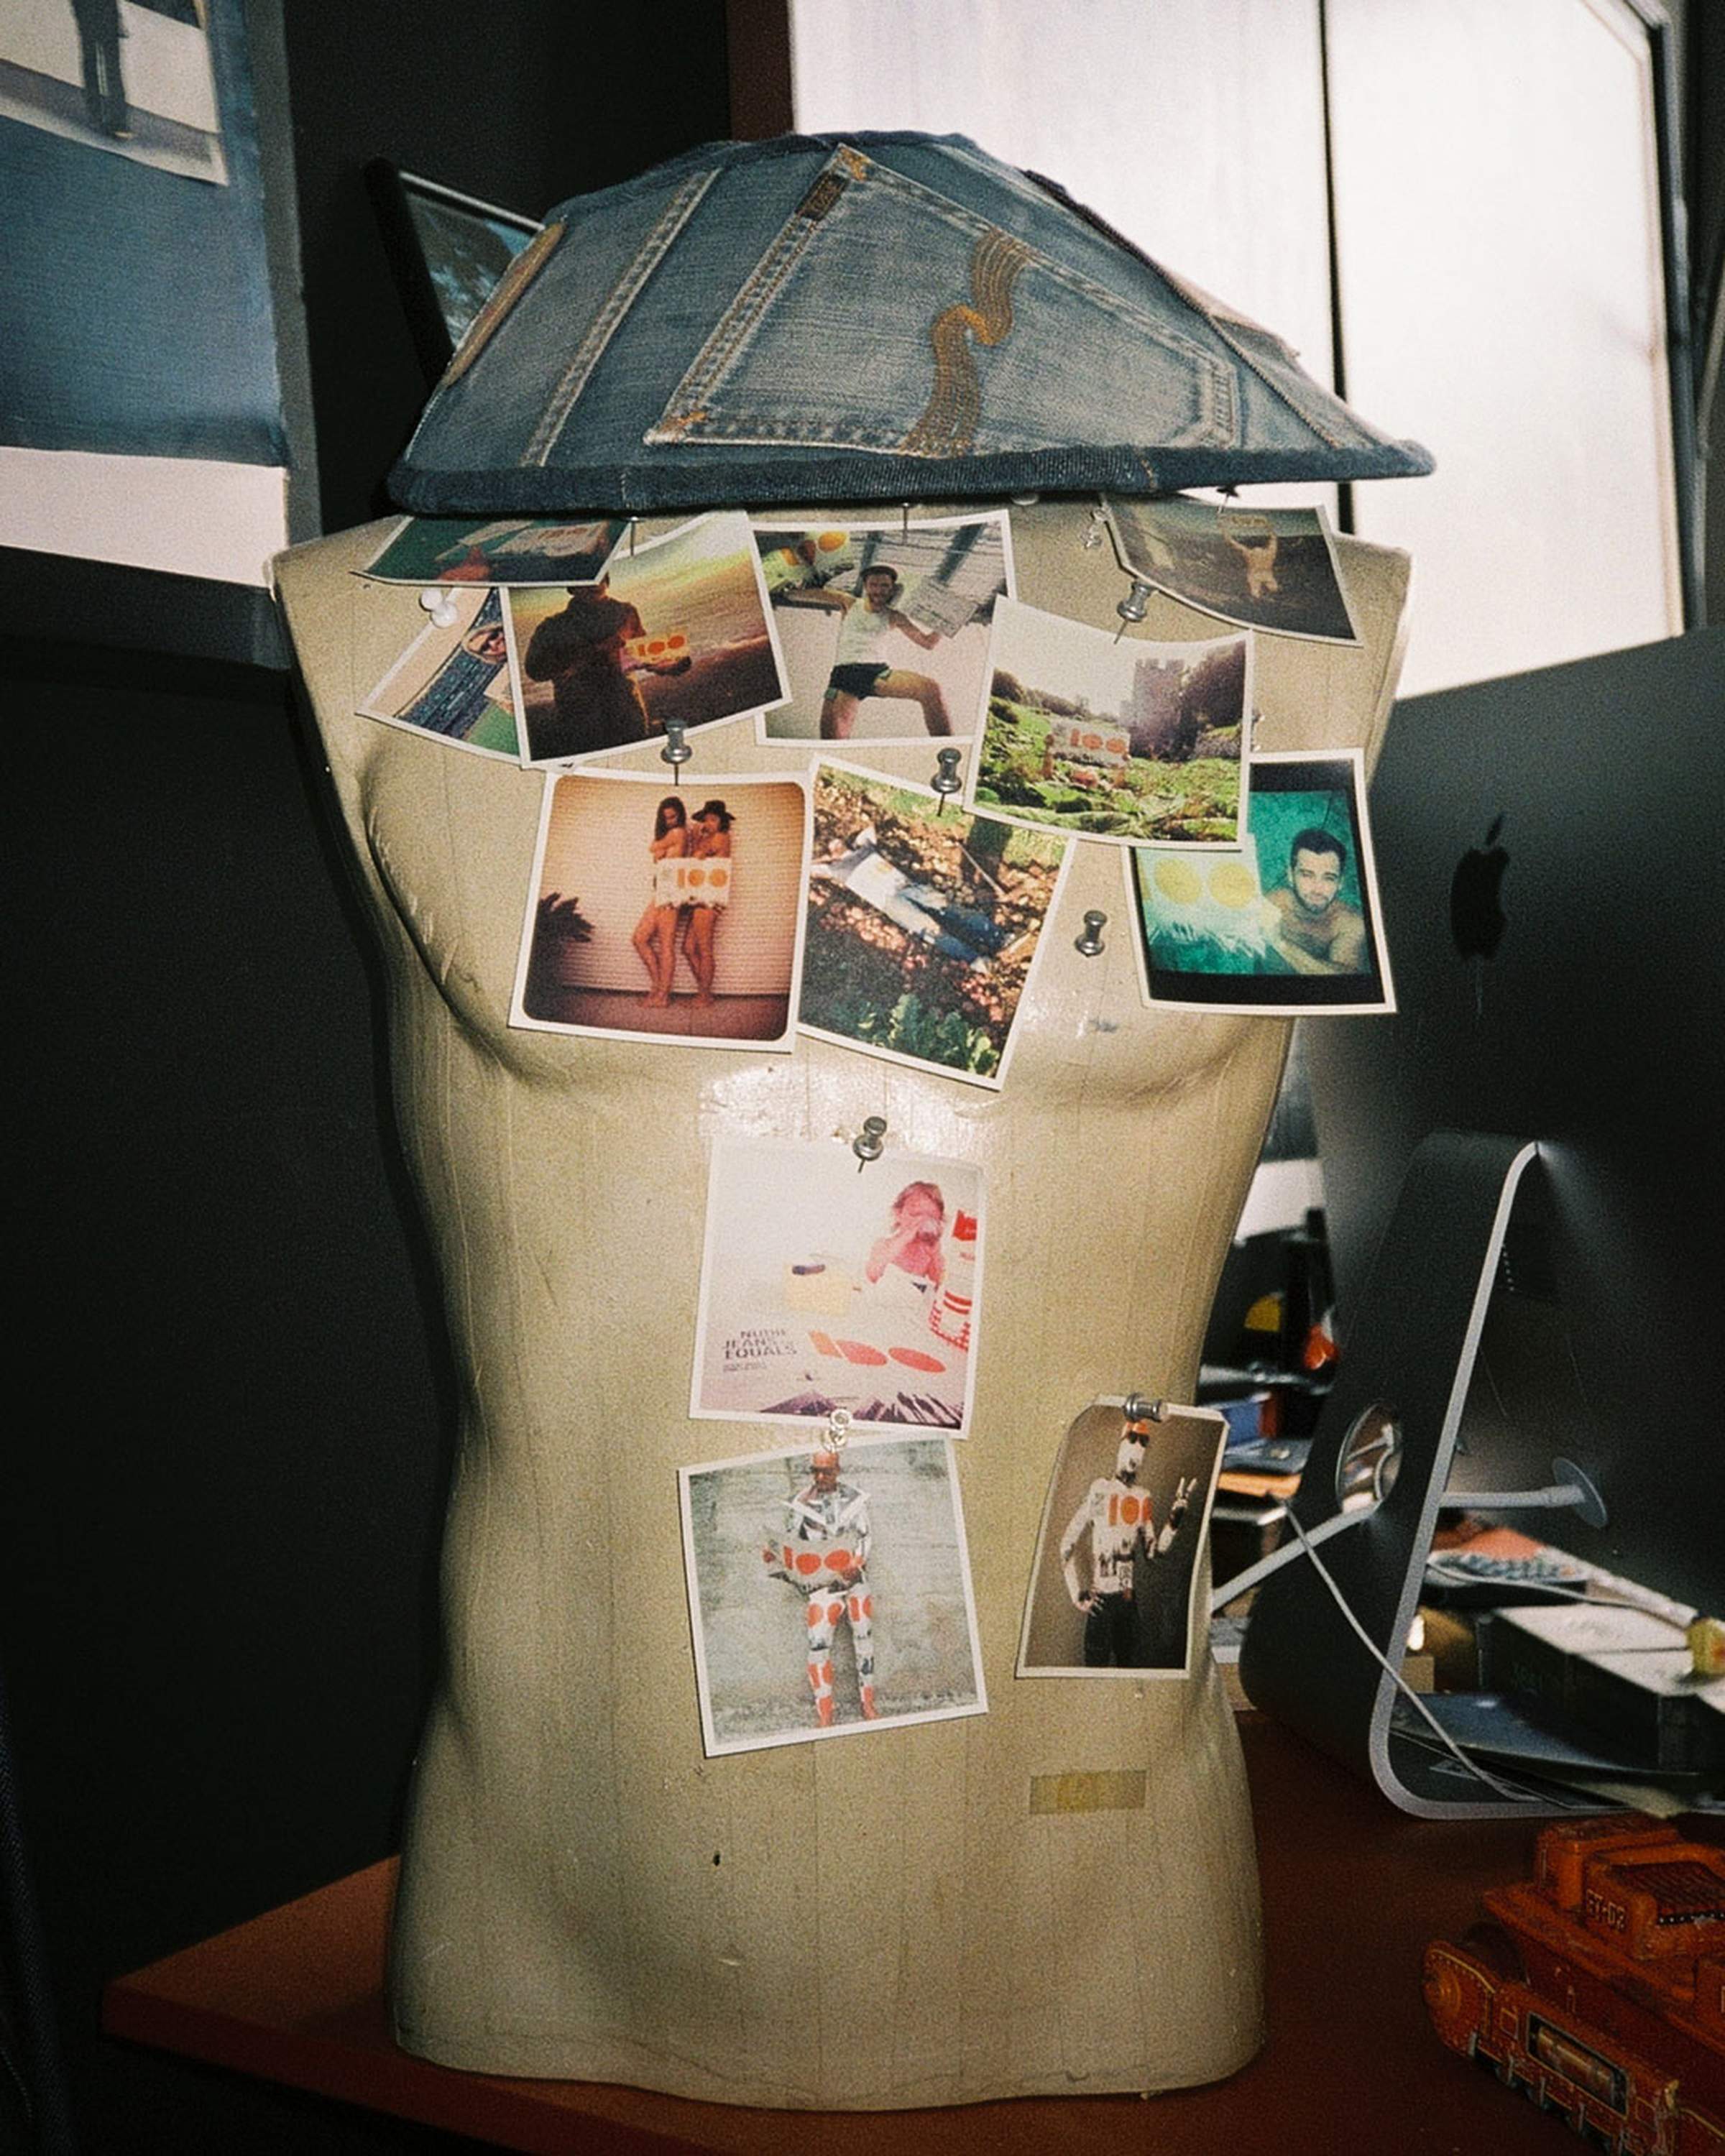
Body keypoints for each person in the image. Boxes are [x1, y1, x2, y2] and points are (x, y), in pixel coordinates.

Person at [1059, 1422, 1194, 1668]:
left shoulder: (1142, 1497)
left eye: (1141, 1451)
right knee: (1095, 1676)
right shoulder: (1101, 1490)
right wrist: (1078, 1593)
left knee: (1129, 1670)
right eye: (1131, 1447)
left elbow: (1154, 1552)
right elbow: (1068, 1541)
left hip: (1128, 1601)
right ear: (1120, 1447)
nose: (1136, 1455)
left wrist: (1175, 1519)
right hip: (1102, 1600)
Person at [761, 1447, 878, 1725]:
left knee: (864, 1639)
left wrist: (857, 1562)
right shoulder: (799, 1502)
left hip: (853, 1579)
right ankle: (825, 1714)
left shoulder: (855, 1500)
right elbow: (790, 1541)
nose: (821, 1476)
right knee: (817, 1645)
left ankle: (868, 1705)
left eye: (827, 1470)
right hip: (822, 1584)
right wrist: (774, 1555)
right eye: (816, 1470)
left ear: (838, 1470)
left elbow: (865, 1536)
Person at [811, 823, 1019, 970]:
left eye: (838, 841)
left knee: (953, 910)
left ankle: (999, 937)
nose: (837, 844)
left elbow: (870, 827)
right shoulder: (836, 870)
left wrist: (852, 843)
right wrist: (827, 858)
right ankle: (978, 962)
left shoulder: (865, 847)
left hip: (908, 886)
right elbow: (809, 868)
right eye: (832, 845)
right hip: (891, 903)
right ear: (829, 853)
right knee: (934, 931)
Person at [802, 566, 952, 739]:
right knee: (832, 740)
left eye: (884, 586)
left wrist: (945, 624)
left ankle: (946, 746)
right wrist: (790, 591)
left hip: (877, 673)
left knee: (931, 689)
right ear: (865, 586)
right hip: (845, 677)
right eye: (874, 585)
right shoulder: (849, 602)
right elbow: (813, 594)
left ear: (892, 588)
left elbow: (928, 643)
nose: (879, 590)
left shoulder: (894, 616)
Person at [521, 577, 650, 757]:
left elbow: (644, 654)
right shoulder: (552, 627)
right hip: (580, 714)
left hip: (626, 708)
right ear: (571, 587)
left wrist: (672, 664)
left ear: (607, 579)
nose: (594, 583)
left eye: (600, 576)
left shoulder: (626, 612)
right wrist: (595, 650)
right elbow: (535, 670)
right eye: (585, 579)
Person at [1261, 827, 1368, 975]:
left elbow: (1346, 980)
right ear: (1291, 876)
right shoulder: (1271, 905)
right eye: (1307, 875)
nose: (1318, 889)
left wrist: (1280, 943)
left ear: (1341, 882)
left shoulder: (1350, 924)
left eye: (1329, 878)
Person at [631, 796, 687, 1007]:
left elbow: (653, 847)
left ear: (680, 816)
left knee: (666, 945)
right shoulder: (672, 834)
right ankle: (658, 987)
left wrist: (660, 850)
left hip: (672, 892)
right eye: (666, 818)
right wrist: (661, 852)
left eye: (674, 816)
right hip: (663, 890)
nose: (670, 821)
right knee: (640, 938)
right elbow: (658, 852)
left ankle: (662, 996)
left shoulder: (678, 832)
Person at [678, 798, 733, 1008]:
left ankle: (703, 996)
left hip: (709, 900)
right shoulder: (710, 838)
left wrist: (695, 840)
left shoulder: (720, 838)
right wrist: (696, 839)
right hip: (701, 898)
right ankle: (705, 992)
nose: (708, 824)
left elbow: (698, 857)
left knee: (704, 950)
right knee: (688, 948)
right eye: (706, 820)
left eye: (713, 819)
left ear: (722, 822)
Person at [865, 1181, 947, 1296]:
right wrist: (904, 1238)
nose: (921, 1222)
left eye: (931, 1219)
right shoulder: (885, 1245)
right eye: (915, 1214)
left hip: (911, 1303)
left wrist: (935, 1253)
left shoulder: (927, 1253)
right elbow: (872, 1275)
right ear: (898, 1214)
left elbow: (939, 1284)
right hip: (882, 1298)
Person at [1225, 519, 1280, 602]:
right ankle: (1266, 599)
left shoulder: (1250, 553)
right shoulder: (1269, 553)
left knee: (1256, 594)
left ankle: (1261, 600)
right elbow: (1274, 539)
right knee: (1273, 590)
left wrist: (1225, 531)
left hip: (1256, 575)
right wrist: (1268, 526)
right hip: (1264, 574)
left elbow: (1232, 543)